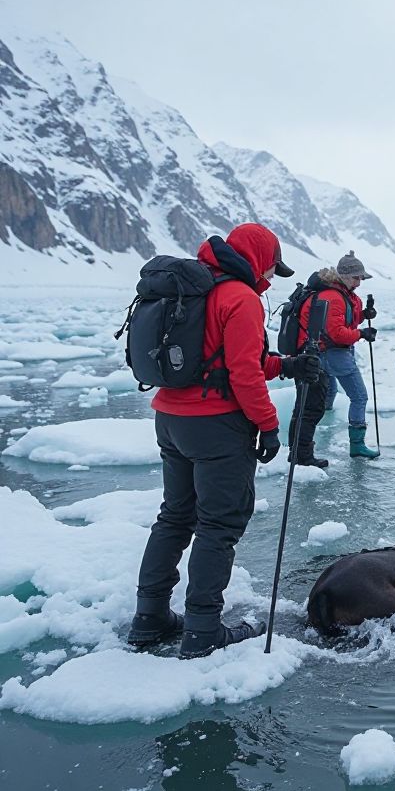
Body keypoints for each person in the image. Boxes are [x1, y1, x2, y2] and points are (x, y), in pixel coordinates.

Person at [127, 223, 321, 658]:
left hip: (171, 418)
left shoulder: (196, 287)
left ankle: (150, 617)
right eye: (272, 267)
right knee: (218, 526)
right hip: (217, 426)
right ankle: (202, 630)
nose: (271, 277)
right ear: (257, 258)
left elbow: (224, 360)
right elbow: (242, 374)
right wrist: (269, 426)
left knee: (175, 517)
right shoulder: (240, 298)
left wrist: (285, 365)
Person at [288, 250, 379, 466]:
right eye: (357, 277)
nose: (359, 282)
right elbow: (335, 332)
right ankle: (357, 446)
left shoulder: (340, 293)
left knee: (325, 393)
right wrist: (361, 333)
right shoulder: (333, 296)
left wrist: (364, 315)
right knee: (359, 396)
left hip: (321, 352)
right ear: (345, 276)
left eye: (361, 278)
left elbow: (344, 317)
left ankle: (319, 433)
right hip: (333, 352)